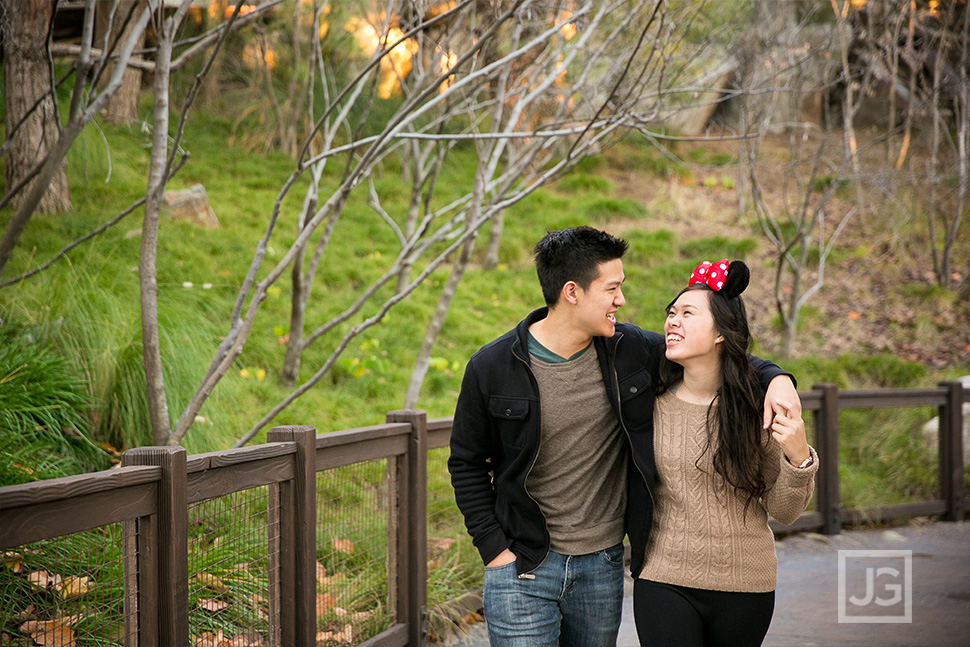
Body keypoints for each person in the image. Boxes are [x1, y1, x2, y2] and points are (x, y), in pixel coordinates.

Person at [448, 227, 802, 647]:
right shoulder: (492, 366)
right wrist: (494, 550)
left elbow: (718, 351)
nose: (621, 300)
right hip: (522, 565)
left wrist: (778, 378)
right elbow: (467, 462)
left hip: (601, 566)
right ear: (572, 292)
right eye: (612, 288)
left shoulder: (628, 350)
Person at [632, 259, 818, 647]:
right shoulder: (649, 404)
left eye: (687, 313)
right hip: (663, 577)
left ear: (720, 333)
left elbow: (785, 512)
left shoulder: (756, 409)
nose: (672, 322)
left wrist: (798, 458)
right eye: (670, 313)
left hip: (745, 584)